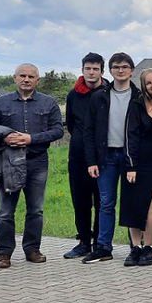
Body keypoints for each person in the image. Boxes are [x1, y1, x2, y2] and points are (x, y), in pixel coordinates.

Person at [0, 64, 64, 268]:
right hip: (9, 162)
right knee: (5, 212)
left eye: (31, 76)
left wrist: (31, 139)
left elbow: (58, 130)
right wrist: (5, 138)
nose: (26, 79)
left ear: (38, 80)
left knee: (36, 210)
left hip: (37, 162)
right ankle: (4, 253)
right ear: (15, 78)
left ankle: (32, 250)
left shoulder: (49, 103)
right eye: (22, 76)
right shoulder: (1, 103)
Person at [81, 52, 142, 264]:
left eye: (124, 67)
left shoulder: (139, 97)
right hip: (105, 157)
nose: (120, 70)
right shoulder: (99, 96)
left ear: (132, 70)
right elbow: (88, 131)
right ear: (110, 71)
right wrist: (91, 161)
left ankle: (136, 247)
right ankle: (103, 247)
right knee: (106, 203)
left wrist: (136, 161)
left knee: (131, 203)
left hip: (129, 157)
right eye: (116, 67)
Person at [120, 67, 152, 266]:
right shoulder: (137, 104)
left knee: (148, 204)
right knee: (132, 204)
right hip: (134, 162)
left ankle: (148, 247)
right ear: (144, 87)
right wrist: (131, 166)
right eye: (149, 83)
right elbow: (130, 135)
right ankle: (135, 248)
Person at [64, 53, 105, 259]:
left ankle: (99, 242)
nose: (91, 72)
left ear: (102, 72)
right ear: (82, 70)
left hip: (103, 155)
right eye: (88, 68)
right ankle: (83, 241)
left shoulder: (108, 93)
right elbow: (71, 124)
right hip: (78, 155)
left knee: (102, 201)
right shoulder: (73, 95)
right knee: (80, 200)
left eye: (95, 69)